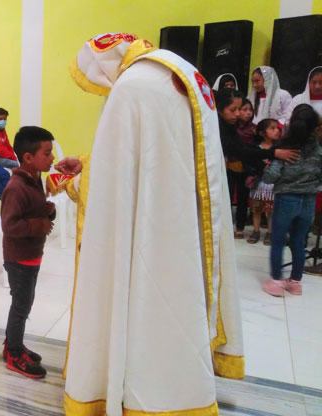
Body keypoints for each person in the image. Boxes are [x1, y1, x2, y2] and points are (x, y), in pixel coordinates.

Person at [60, 33, 245, 415]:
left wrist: (73, 179)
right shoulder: (182, 72)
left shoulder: (131, 86)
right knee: (180, 301)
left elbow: (114, 183)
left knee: (142, 303)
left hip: (144, 228)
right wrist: (87, 160)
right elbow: (153, 154)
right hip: (182, 216)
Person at [0, 126, 55, 379]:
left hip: (31, 254)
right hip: (19, 257)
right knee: (21, 306)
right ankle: (13, 353)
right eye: (47, 153)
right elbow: (10, 225)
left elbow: (31, 211)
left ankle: (13, 343)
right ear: (28, 157)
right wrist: (39, 225)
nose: (52, 158)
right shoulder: (16, 187)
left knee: (24, 303)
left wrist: (47, 211)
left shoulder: (34, 179)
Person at [217, 88, 298, 239]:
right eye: (233, 109)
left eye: (239, 109)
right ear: (220, 109)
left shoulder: (229, 125)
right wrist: (273, 153)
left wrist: (264, 164)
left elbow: (243, 149)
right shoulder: (215, 126)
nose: (237, 114)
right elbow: (239, 151)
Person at [262, 104, 322, 297]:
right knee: (298, 241)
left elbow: (270, 177)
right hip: (309, 201)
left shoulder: (284, 149)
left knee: (278, 240)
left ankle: (276, 282)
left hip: (287, 199)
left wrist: (267, 168)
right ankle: (295, 283)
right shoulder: (318, 150)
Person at [247, 119, 280, 245]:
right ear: (262, 133)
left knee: (271, 210)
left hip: (274, 184)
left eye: (277, 128)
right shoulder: (255, 147)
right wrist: (260, 167)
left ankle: (270, 232)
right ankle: (256, 231)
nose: (277, 130)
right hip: (258, 182)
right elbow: (249, 162)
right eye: (272, 128)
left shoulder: (279, 149)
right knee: (256, 209)